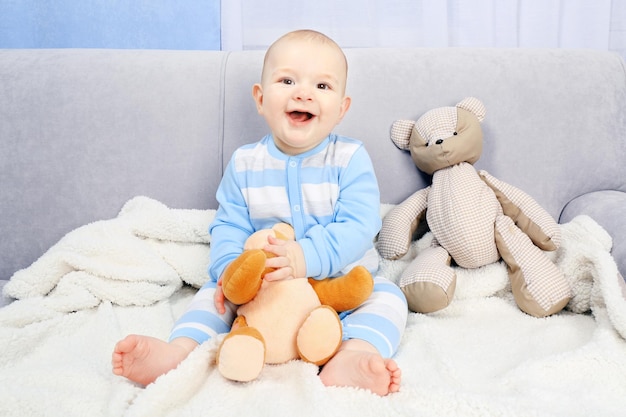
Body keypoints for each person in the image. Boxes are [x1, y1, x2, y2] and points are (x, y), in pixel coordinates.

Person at [112, 29, 408, 397]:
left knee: (389, 298)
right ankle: (179, 352)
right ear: (261, 97)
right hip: (264, 291)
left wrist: (307, 257)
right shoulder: (246, 163)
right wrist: (230, 273)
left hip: (339, 284)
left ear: (342, 109)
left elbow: (360, 224)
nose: (303, 93)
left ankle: (352, 355)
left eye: (322, 86)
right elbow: (230, 224)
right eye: (287, 80)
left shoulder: (349, 158)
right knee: (211, 298)